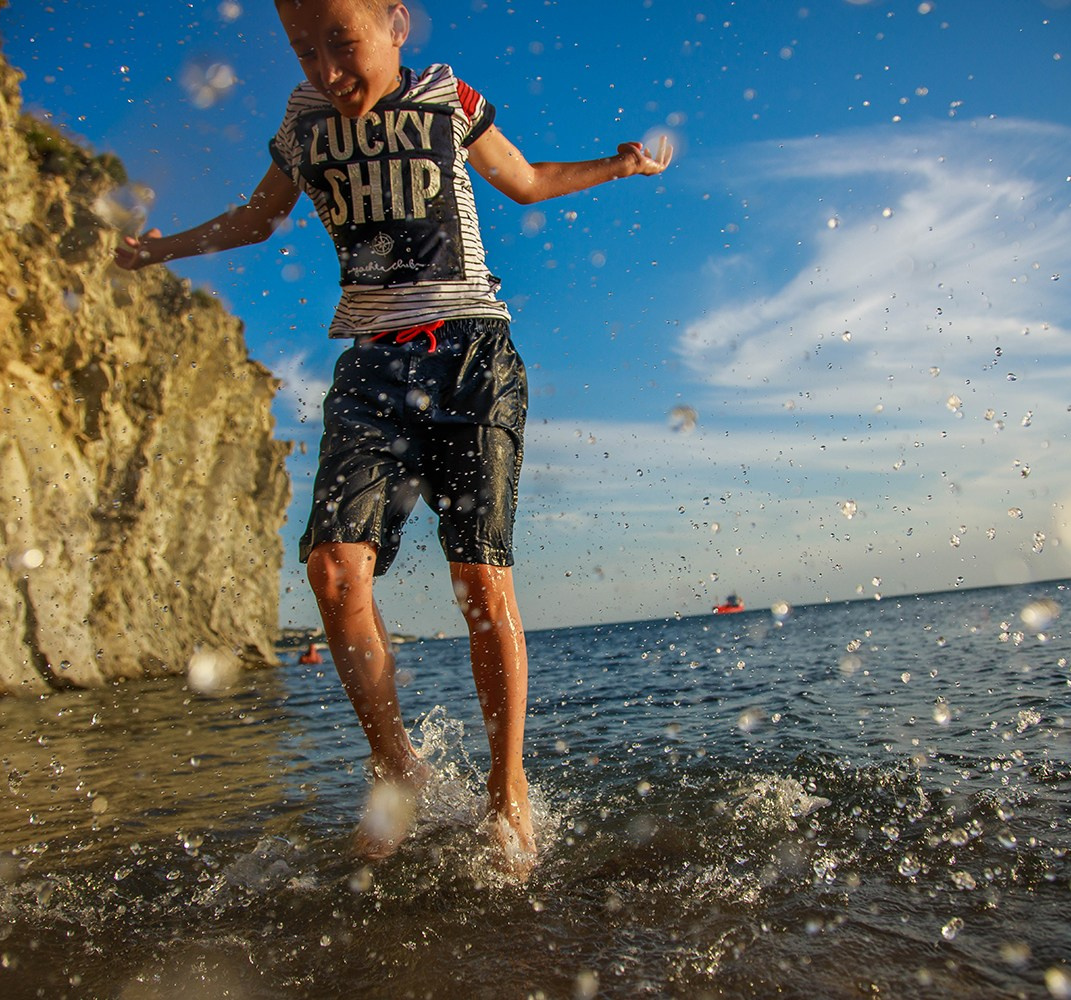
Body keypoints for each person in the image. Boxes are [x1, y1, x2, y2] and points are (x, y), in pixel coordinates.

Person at [114, 0, 672, 878]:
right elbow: (257, 220)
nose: (328, 72)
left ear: (395, 23)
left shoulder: (449, 98)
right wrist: (160, 250)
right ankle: (395, 766)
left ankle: (505, 786)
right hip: (373, 366)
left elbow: (524, 182)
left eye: (343, 43)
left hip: (471, 354)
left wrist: (618, 166)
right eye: (305, 51)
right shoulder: (303, 125)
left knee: (480, 579)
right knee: (334, 572)